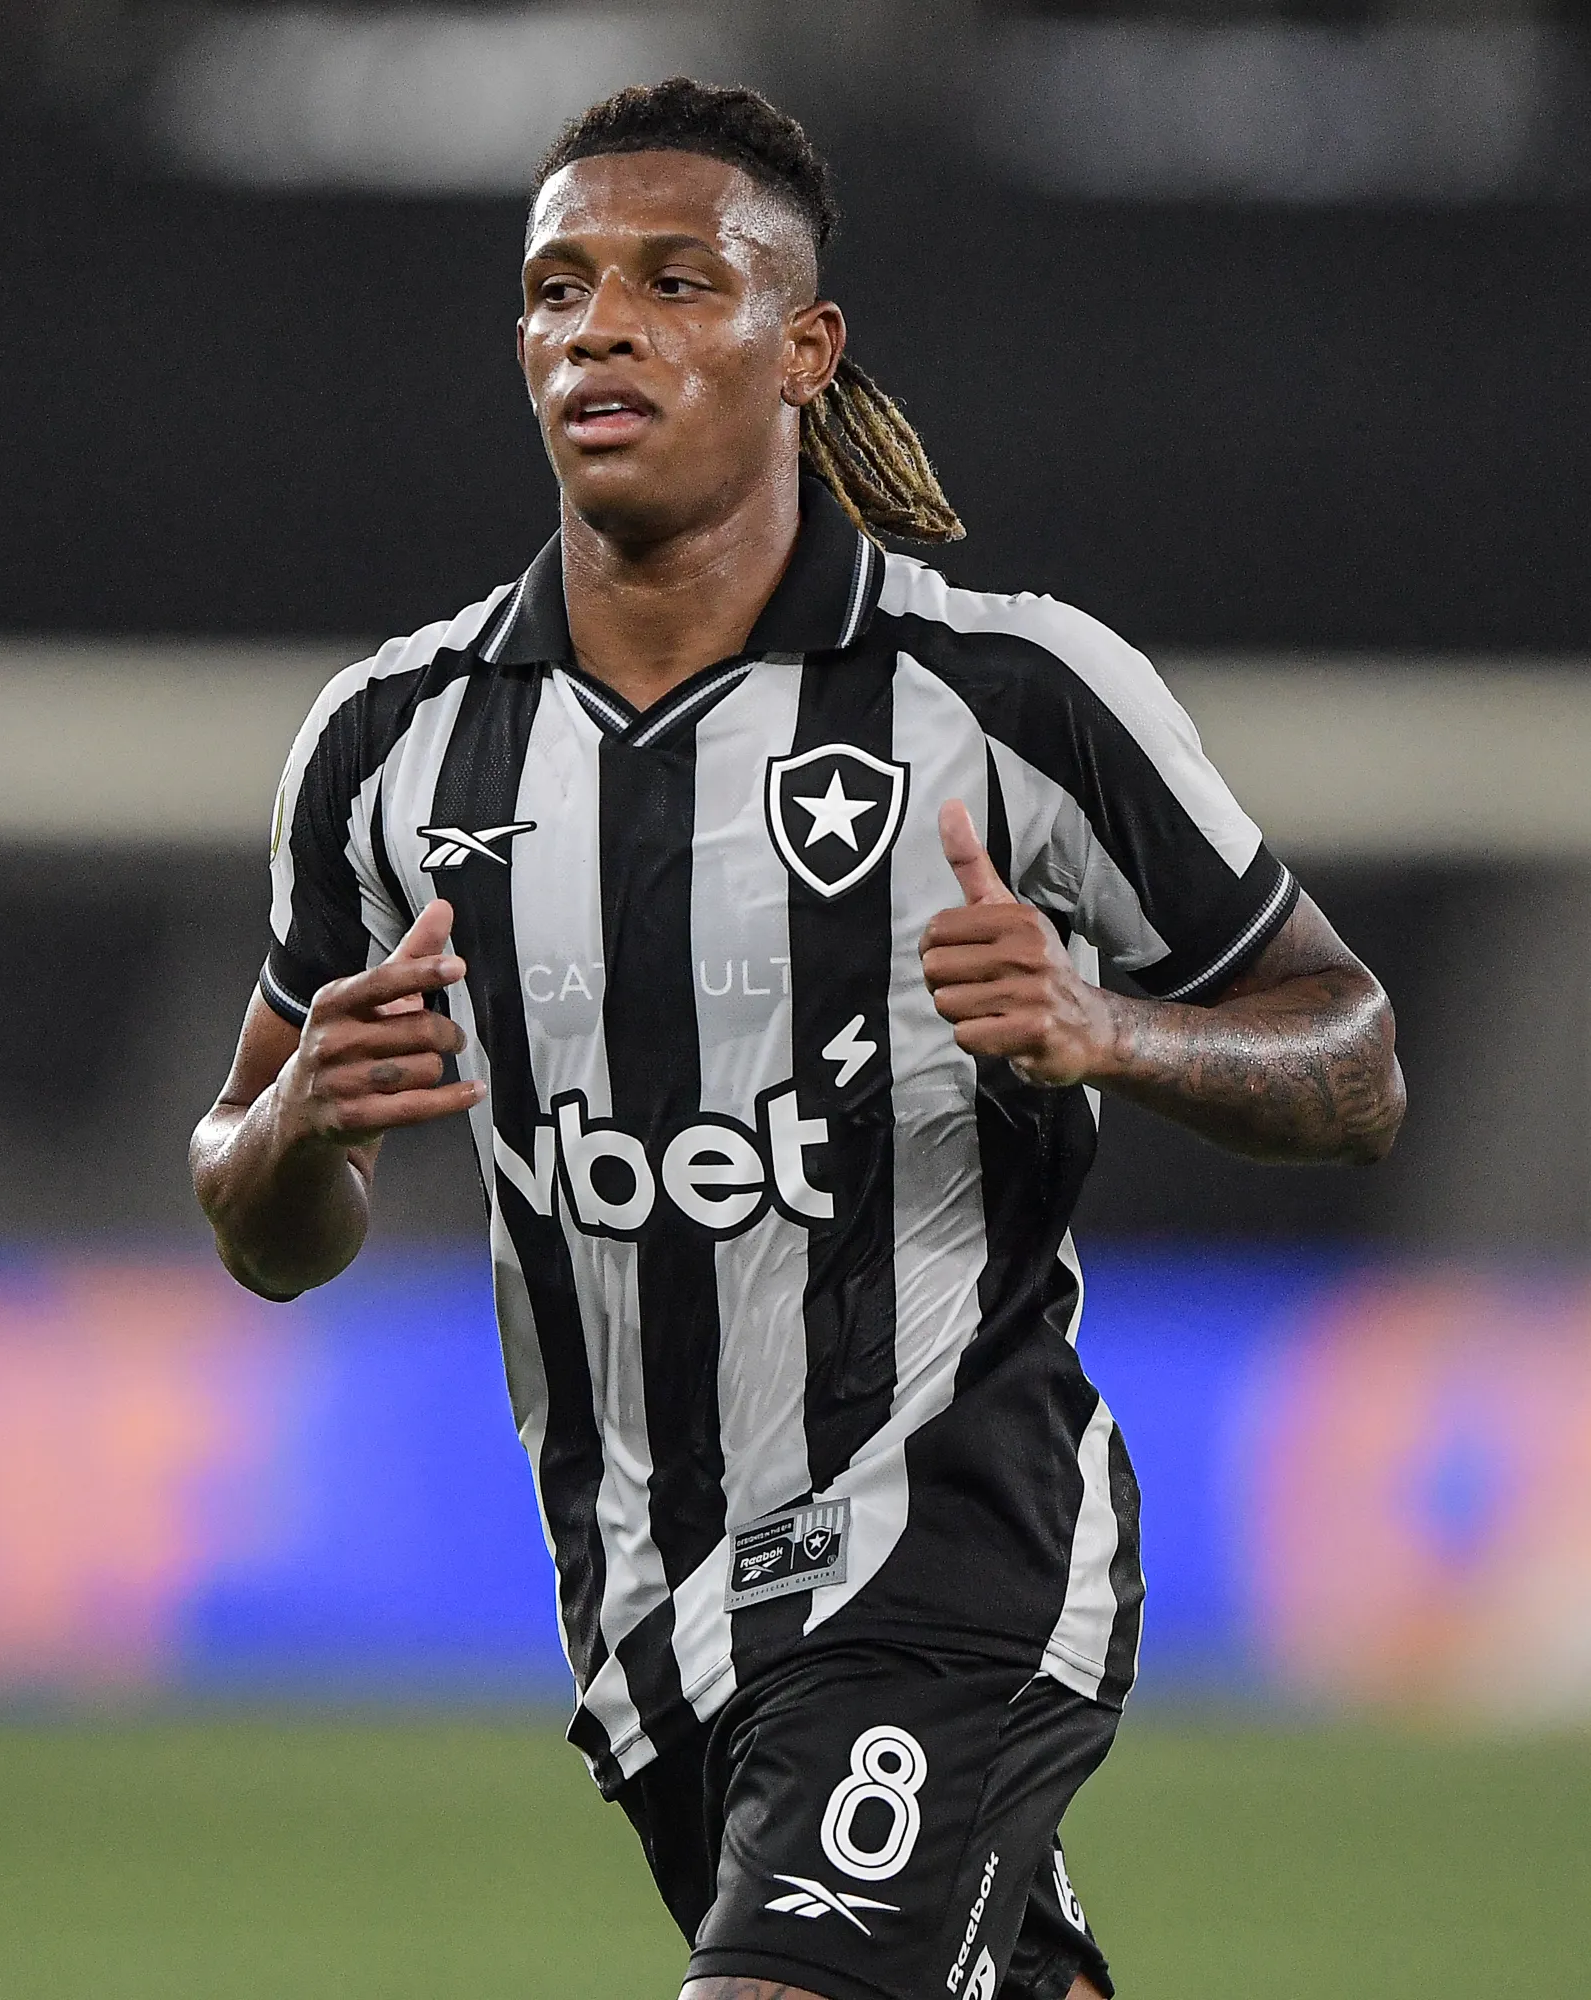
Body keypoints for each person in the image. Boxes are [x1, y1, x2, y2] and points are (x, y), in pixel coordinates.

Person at [190, 78, 1403, 2000]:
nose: (604, 326)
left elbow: (1351, 1056)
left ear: (805, 349)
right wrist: (295, 1130)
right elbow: (262, 1213)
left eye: (680, 283)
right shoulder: (389, 746)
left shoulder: (1011, 698)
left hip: (952, 1537)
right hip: (654, 1616)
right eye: (559, 287)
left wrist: (1115, 1029)